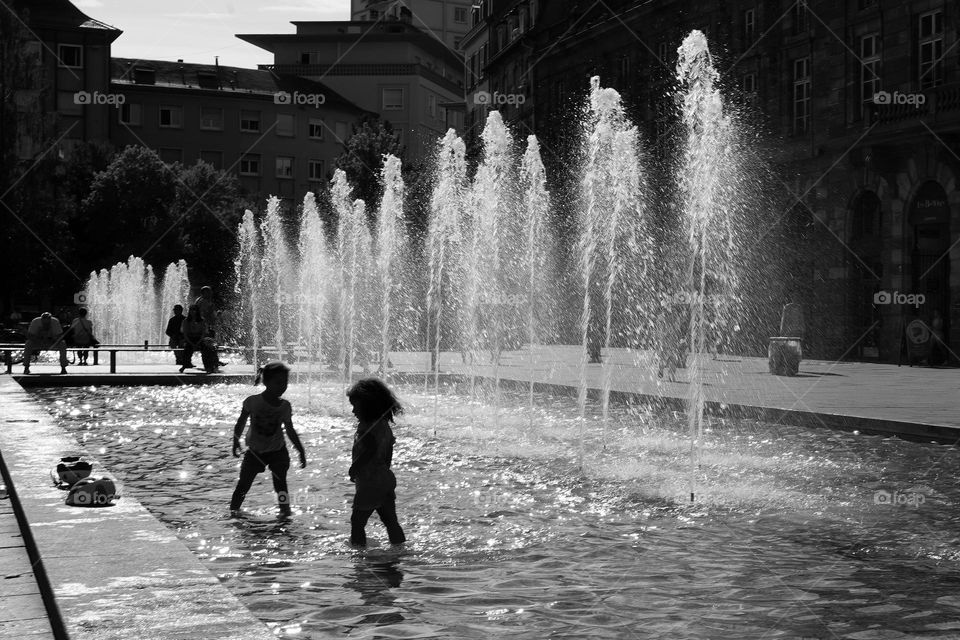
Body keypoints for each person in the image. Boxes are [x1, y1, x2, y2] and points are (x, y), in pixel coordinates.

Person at [230, 361, 306, 516]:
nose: (282, 386)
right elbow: (241, 422)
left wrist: (300, 450)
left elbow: (290, 430)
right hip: (254, 452)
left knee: (281, 485)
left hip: (278, 451)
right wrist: (235, 441)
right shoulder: (253, 401)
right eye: (278, 382)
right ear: (266, 382)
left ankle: (285, 513)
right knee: (243, 485)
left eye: (285, 382)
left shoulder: (285, 406)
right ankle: (233, 511)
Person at [347, 378, 406, 547]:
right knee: (390, 521)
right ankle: (400, 549)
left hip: (369, 482)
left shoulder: (366, 427)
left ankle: (358, 553)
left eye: (355, 406)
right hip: (385, 479)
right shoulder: (384, 426)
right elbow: (388, 454)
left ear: (368, 405)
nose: (353, 411)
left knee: (357, 521)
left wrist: (355, 468)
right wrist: (383, 471)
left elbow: (370, 449)